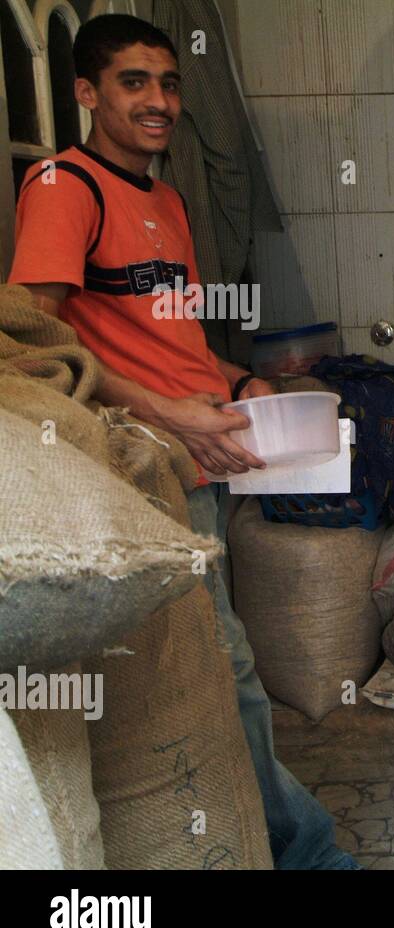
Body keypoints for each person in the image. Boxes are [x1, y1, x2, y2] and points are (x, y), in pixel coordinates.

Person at [10, 13, 357, 870]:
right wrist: (172, 413)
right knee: (227, 673)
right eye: (134, 83)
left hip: (192, 469)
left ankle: (270, 837)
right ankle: (308, 853)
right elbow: (33, 340)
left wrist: (240, 387)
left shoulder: (164, 198)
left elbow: (176, 343)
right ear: (87, 93)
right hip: (136, 470)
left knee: (220, 672)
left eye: (168, 83)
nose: (159, 101)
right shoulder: (64, 186)